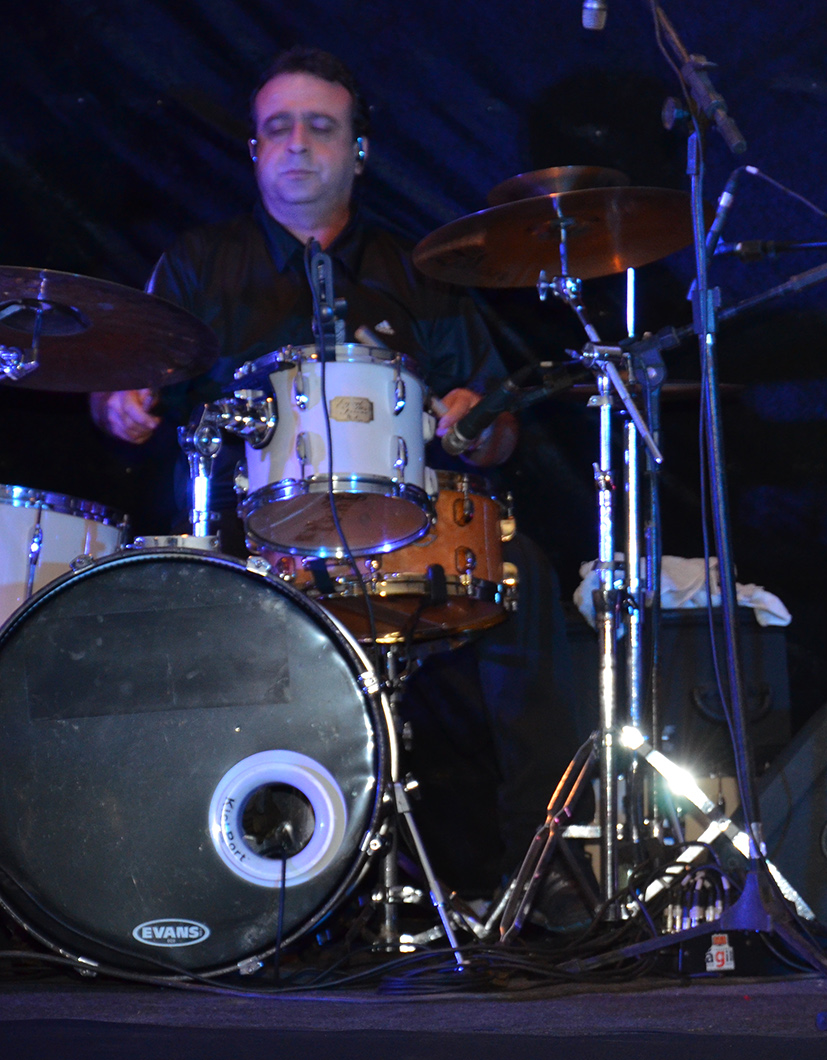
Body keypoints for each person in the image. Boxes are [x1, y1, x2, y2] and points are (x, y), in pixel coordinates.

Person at [89, 46, 582, 904]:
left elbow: (500, 430)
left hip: (399, 534)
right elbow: (118, 386)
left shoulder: (422, 272)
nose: (297, 143)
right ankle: (214, 885)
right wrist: (118, 403)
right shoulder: (198, 265)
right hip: (246, 543)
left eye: (320, 127)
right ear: (254, 150)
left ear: (359, 151)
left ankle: (544, 879)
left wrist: (476, 426)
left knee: (522, 573)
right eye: (277, 128)